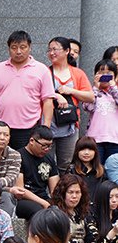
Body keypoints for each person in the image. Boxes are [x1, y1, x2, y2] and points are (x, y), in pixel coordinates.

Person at [0, 30, 54, 151]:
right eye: (14, 48)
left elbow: (47, 100)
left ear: (30, 48)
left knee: (25, 165)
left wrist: (45, 126)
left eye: (23, 47)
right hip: (1, 128)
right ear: (9, 48)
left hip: (30, 128)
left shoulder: (42, 70)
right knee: (0, 164)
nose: (18, 51)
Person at [46, 36, 92, 173]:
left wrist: (70, 90)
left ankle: (64, 192)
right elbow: (36, 93)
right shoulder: (45, 72)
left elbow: (90, 97)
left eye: (55, 49)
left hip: (70, 126)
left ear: (67, 51)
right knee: (46, 164)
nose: (51, 53)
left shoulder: (77, 73)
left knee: (66, 164)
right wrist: (57, 95)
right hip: (48, 124)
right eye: (49, 50)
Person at [14, 126, 57, 220]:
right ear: (32, 141)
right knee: (39, 212)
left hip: (44, 197)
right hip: (24, 199)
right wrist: (43, 203)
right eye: (44, 145)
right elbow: (20, 190)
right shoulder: (18, 157)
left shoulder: (49, 159)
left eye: (50, 146)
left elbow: (55, 190)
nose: (47, 149)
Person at [83, 59, 118, 163]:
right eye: (101, 73)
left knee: (113, 169)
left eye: (108, 73)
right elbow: (89, 107)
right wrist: (95, 88)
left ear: (115, 76)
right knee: (96, 168)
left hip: (115, 139)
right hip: (94, 139)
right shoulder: (91, 92)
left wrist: (113, 87)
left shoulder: (115, 92)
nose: (105, 76)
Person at [72, 137, 110, 208]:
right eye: (82, 149)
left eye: (90, 149)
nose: (86, 152)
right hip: (78, 208)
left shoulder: (101, 170)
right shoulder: (71, 170)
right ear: (77, 151)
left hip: (98, 209)